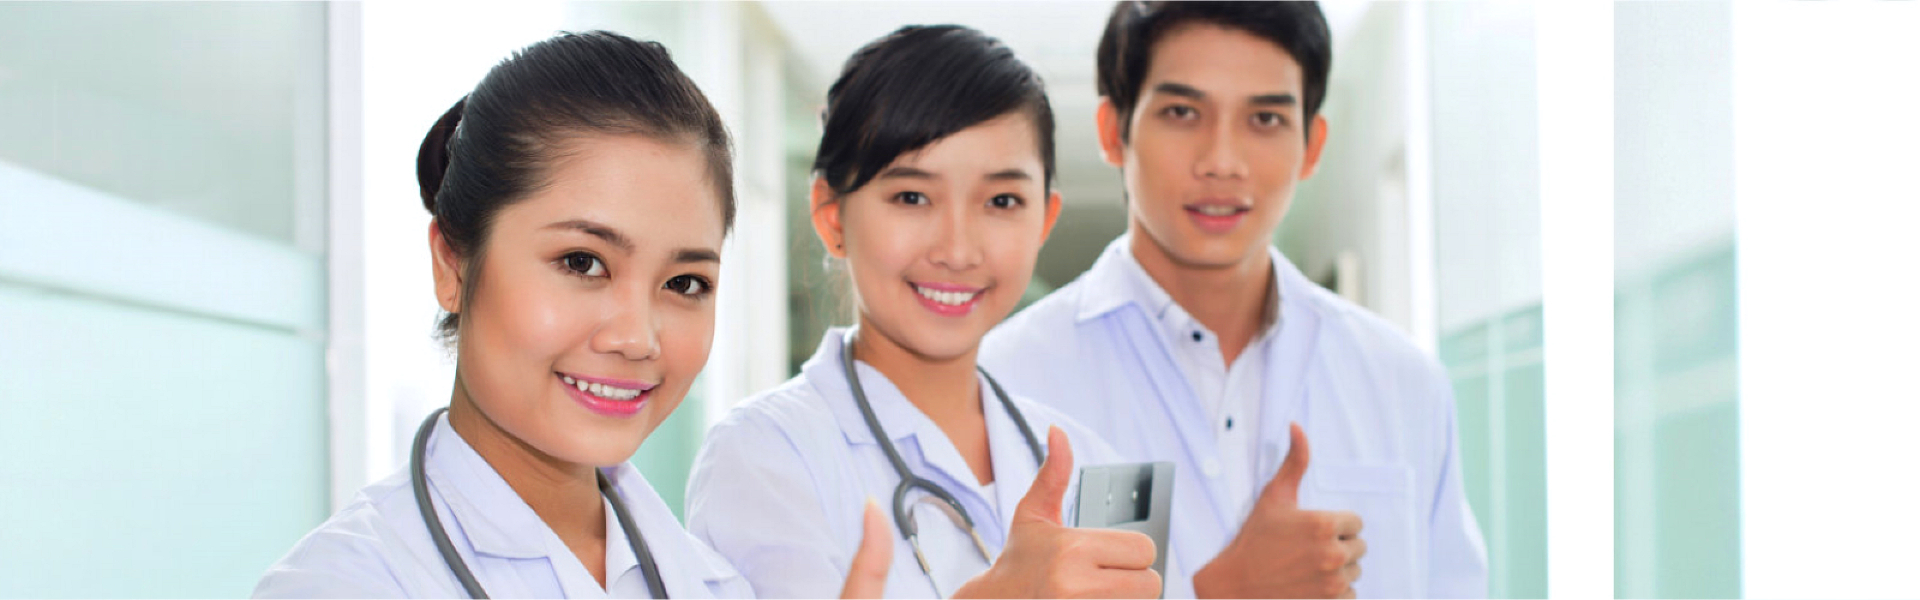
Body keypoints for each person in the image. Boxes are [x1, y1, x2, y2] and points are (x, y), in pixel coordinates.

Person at [253, 31, 892, 599]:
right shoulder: (340, 585)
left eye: (684, 282)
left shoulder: (708, 580)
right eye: (582, 263)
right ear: (452, 264)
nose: (638, 338)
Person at [979, 2, 1489, 598]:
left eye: (1266, 119)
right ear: (1113, 131)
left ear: (1313, 144)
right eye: (1182, 112)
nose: (1222, 161)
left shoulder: (1405, 383)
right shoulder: (1006, 381)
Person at [686, 25, 1172, 599]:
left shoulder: (1093, 464)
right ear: (832, 216)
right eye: (912, 197)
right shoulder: (763, 460)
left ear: (1044, 219)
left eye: (1002, 201)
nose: (958, 250)